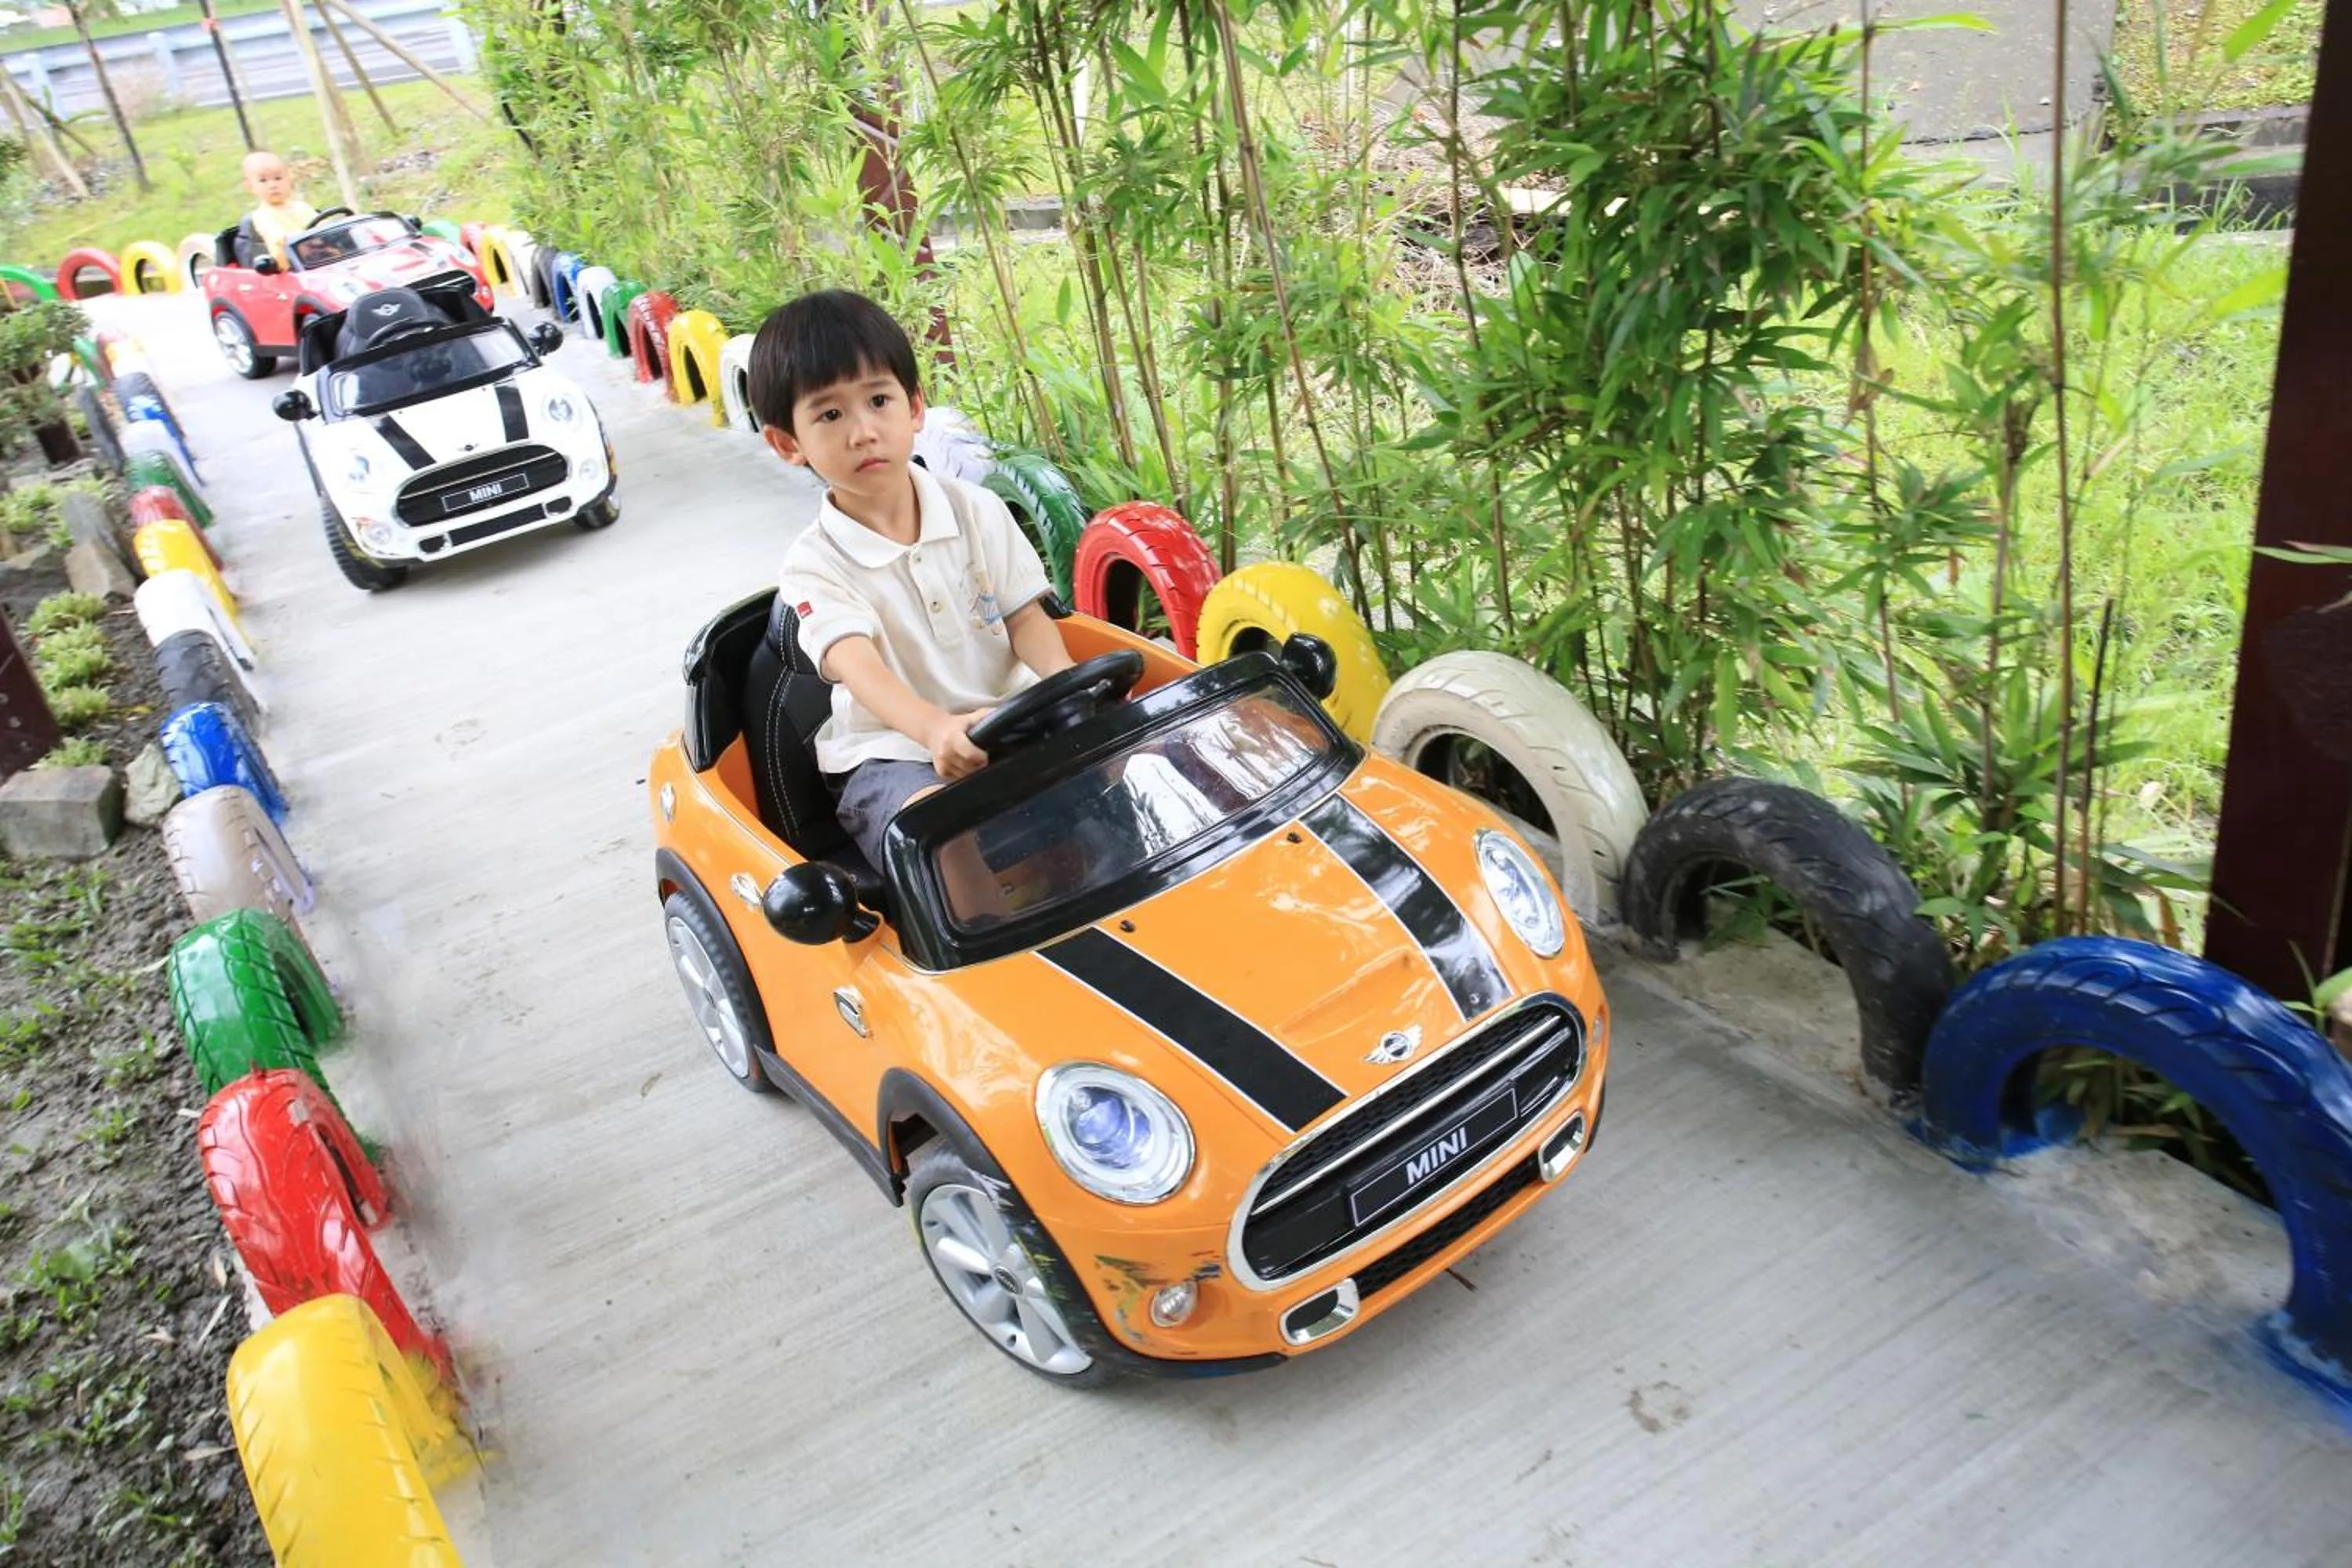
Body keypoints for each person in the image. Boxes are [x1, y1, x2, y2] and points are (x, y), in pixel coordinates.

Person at [753, 289, 1075, 878]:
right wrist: (934, 730)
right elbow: (860, 669)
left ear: (915, 408)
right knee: (940, 840)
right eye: (830, 415)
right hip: (895, 753)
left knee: (1119, 772)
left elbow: (1026, 617)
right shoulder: (813, 565)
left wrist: (1066, 685)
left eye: (879, 401)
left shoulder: (976, 509)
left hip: (1011, 716)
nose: (863, 432)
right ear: (788, 443)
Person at [242, 151, 317, 267]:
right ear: (251, 187)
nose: (273, 185)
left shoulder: (302, 207)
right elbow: (279, 238)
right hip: (290, 266)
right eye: (263, 181)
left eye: (278, 178)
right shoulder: (262, 216)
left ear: (289, 179)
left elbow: (321, 227)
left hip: (318, 258)